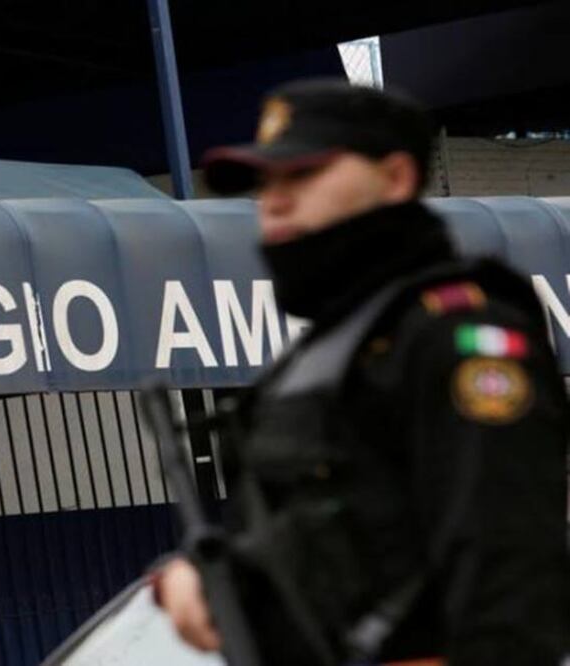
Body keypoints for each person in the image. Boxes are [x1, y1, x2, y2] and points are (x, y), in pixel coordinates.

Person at [155, 79, 569, 664]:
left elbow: (508, 589)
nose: (273, 201)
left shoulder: (455, 336)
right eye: (264, 183)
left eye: (302, 175)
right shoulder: (327, 350)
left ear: (395, 178)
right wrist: (204, 580)